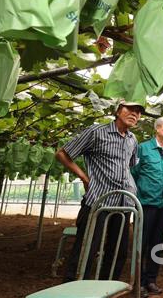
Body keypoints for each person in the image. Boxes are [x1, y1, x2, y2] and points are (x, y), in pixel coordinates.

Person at [55, 99, 144, 282]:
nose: (135, 114)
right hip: (98, 201)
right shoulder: (97, 132)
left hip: (124, 203)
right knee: (86, 249)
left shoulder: (132, 140)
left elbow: (129, 166)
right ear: (118, 111)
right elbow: (62, 154)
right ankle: (74, 289)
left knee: (118, 250)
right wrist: (84, 177)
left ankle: (107, 288)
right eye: (131, 109)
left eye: (138, 112)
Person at [131, 116, 163, 297]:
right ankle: (138, 282)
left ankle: (151, 280)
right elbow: (133, 173)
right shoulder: (143, 149)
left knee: (157, 244)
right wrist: (137, 197)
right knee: (142, 243)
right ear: (157, 129)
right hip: (146, 205)